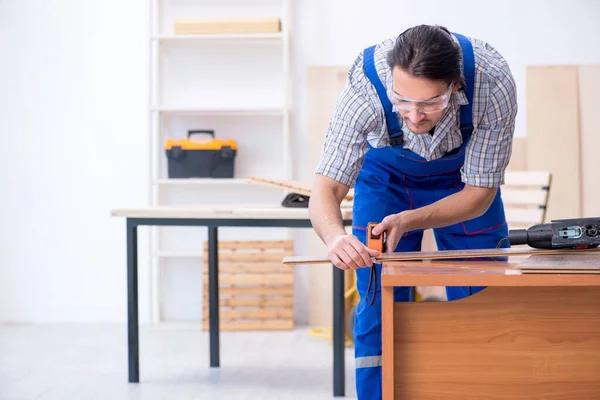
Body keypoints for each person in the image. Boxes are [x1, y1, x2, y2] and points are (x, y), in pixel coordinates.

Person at [309, 25, 517, 399]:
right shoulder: (367, 88)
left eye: (430, 103)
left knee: (484, 297)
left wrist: (409, 220)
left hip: (464, 184)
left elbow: (479, 195)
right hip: (386, 178)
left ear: (456, 87)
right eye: (402, 102)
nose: (415, 116)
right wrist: (335, 237)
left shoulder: (492, 83)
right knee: (377, 300)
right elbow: (325, 188)